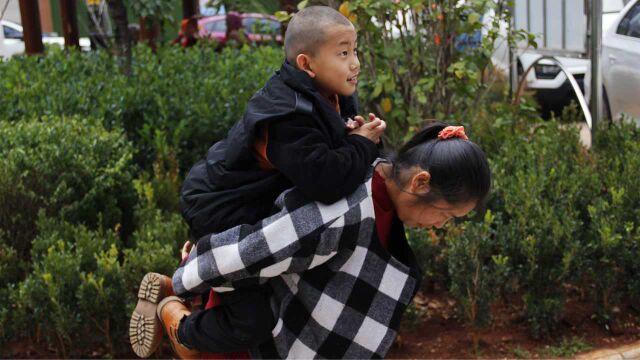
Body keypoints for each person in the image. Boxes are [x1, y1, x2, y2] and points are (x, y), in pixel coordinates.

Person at [129, 5, 386, 358]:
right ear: (306, 64)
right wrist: (361, 143)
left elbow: (335, 159)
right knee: (253, 321)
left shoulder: (330, 91)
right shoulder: (288, 116)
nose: (355, 62)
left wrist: (359, 137)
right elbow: (325, 181)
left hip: (255, 204)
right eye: (343, 53)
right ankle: (178, 323)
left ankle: (178, 280)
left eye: (355, 50)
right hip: (221, 210)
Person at [161, 122, 492, 358]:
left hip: (310, 333)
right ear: (421, 183)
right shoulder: (346, 210)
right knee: (203, 342)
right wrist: (190, 273)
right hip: (270, 340)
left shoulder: (381, 191)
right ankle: (176, 318)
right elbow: (261, 247)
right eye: (445, 215)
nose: (438, 226)